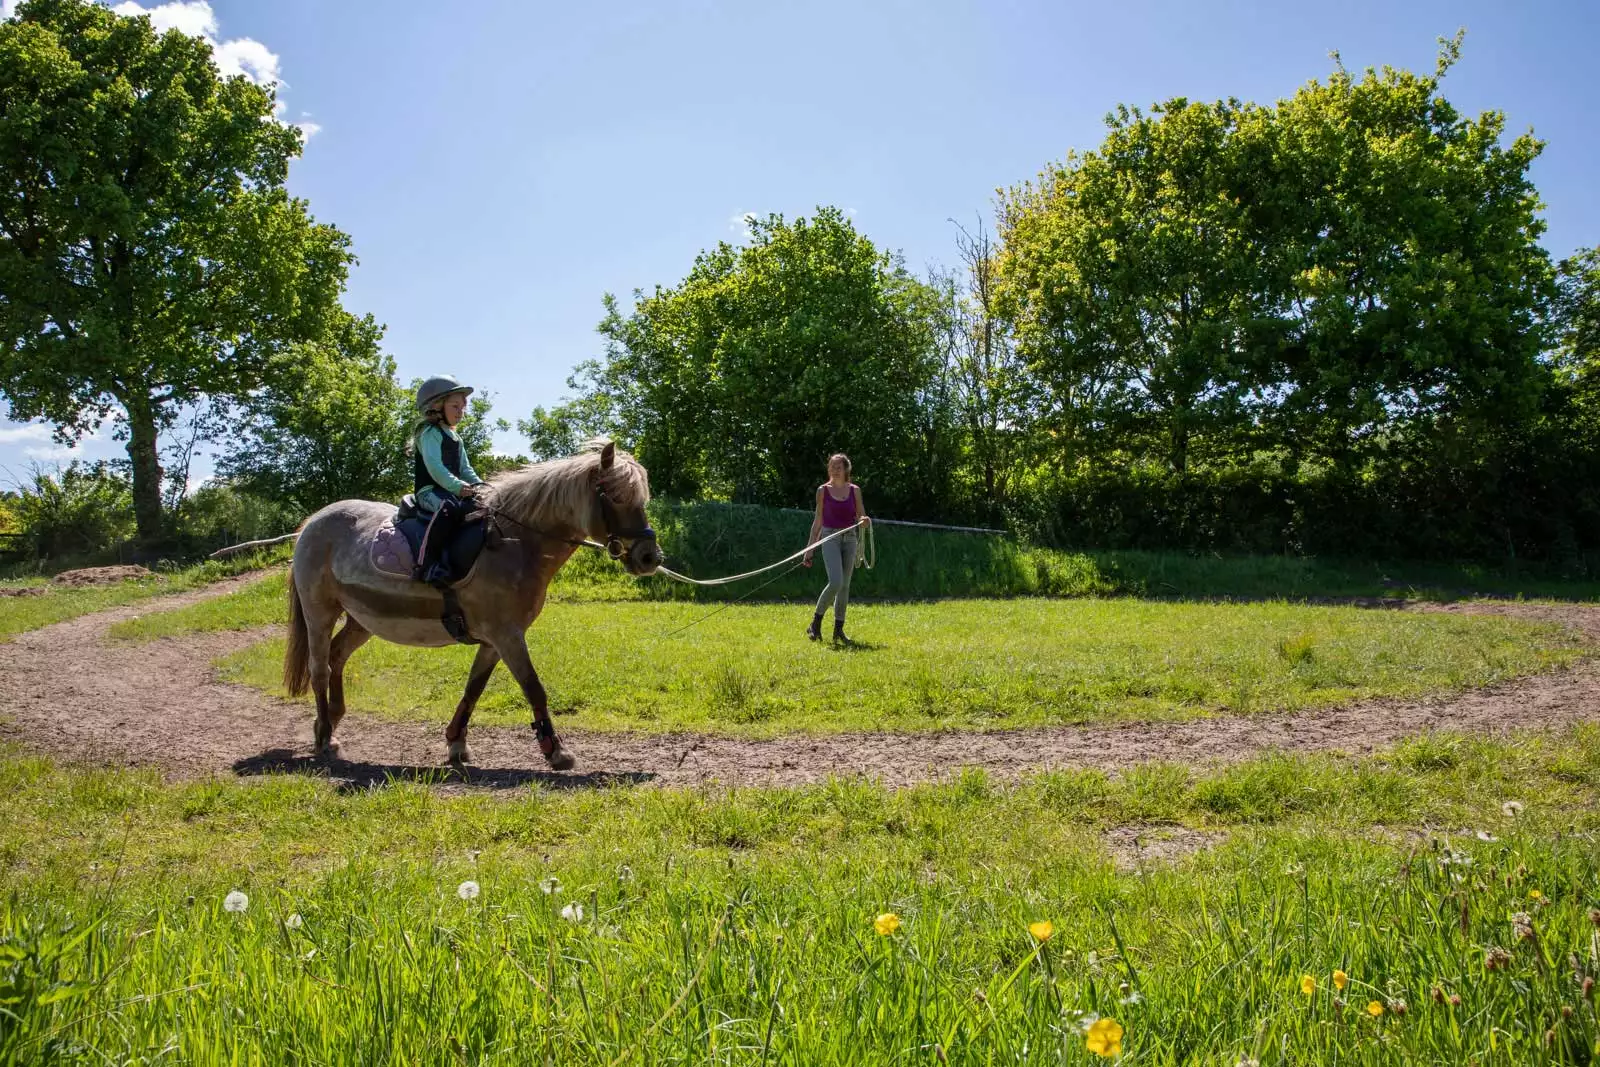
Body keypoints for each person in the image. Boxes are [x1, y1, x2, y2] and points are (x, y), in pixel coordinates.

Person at [411, 375, 488, 585]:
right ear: (436, 407)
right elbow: (435, 467)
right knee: (448, 508)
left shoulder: (456, 438)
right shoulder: (428, 433)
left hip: (452, 490)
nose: (460, 412)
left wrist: (481, 487)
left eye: (463, 407)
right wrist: (457, 486)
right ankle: (427, 564)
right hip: (430, 492)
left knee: (480, 508)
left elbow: (465, 468)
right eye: (455, 406)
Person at [802, 453, 870, 643]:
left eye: (838, 467)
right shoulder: (822, 490)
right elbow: (818, 520)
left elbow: (861, 516)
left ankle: (838, 630)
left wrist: (864, 521)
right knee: (836, 582)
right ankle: (815, 623)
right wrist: (810, 549)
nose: (834, 470)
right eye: (831, 466)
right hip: (829, 536)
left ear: (846, 469)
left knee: (845, 586)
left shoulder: (854, 490)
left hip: (850, 538)